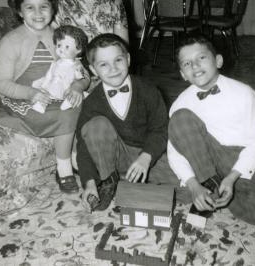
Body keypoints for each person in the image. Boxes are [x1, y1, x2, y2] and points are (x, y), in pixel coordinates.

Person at [167, 35, 255, 227]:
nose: (195, 65)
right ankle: (207, 187)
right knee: (180, 119)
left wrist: (231, 179)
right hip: (199, 160)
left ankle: (217, 191)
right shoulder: (180, 102)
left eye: (201, 58)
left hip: (233, 159)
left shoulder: (244, 93)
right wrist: (194, 185)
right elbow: (174, 150)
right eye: (187, 63)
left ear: (218, 61)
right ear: (183, 74)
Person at [0, 0, 90, 194]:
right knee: (66, 114)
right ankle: (64, 169)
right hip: (24, 97)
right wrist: (31, 93)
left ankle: (77, 154)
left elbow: (82, 71)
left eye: (44, 6)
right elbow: (1, 84)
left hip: (58, 93)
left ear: (53, 8)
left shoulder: (59, 36)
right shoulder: (11, 41)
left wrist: (77, 86)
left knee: (89, 103)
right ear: (19, 10)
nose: (38, 13)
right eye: (30, 7)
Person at [76, 33, 181, 212]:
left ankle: (127, 180)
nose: (113, 68)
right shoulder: (92, 102)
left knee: (186, 186)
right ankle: (108, 179)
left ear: (128, 59)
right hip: (113, 157)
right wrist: (89, 183)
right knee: (95, 126)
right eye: (103, 64)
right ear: (93, 70)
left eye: (118, 60)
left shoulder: (148, 90)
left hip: (147, 154)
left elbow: (161, 129)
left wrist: (146, 158)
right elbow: (84, 146)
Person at [32, 25, 88, 113]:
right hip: (53, 85)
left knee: (72, 94)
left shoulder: (76, 65)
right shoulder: (55, 63)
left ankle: (69, 102)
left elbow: (80, 78)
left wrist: (78, 79)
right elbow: (49, 75)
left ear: (78, 50)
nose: (61, 49)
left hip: (67, 87)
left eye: (67, 47)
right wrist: (44, 87)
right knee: (44, 94)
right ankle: (41, 105)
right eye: (59, 45)